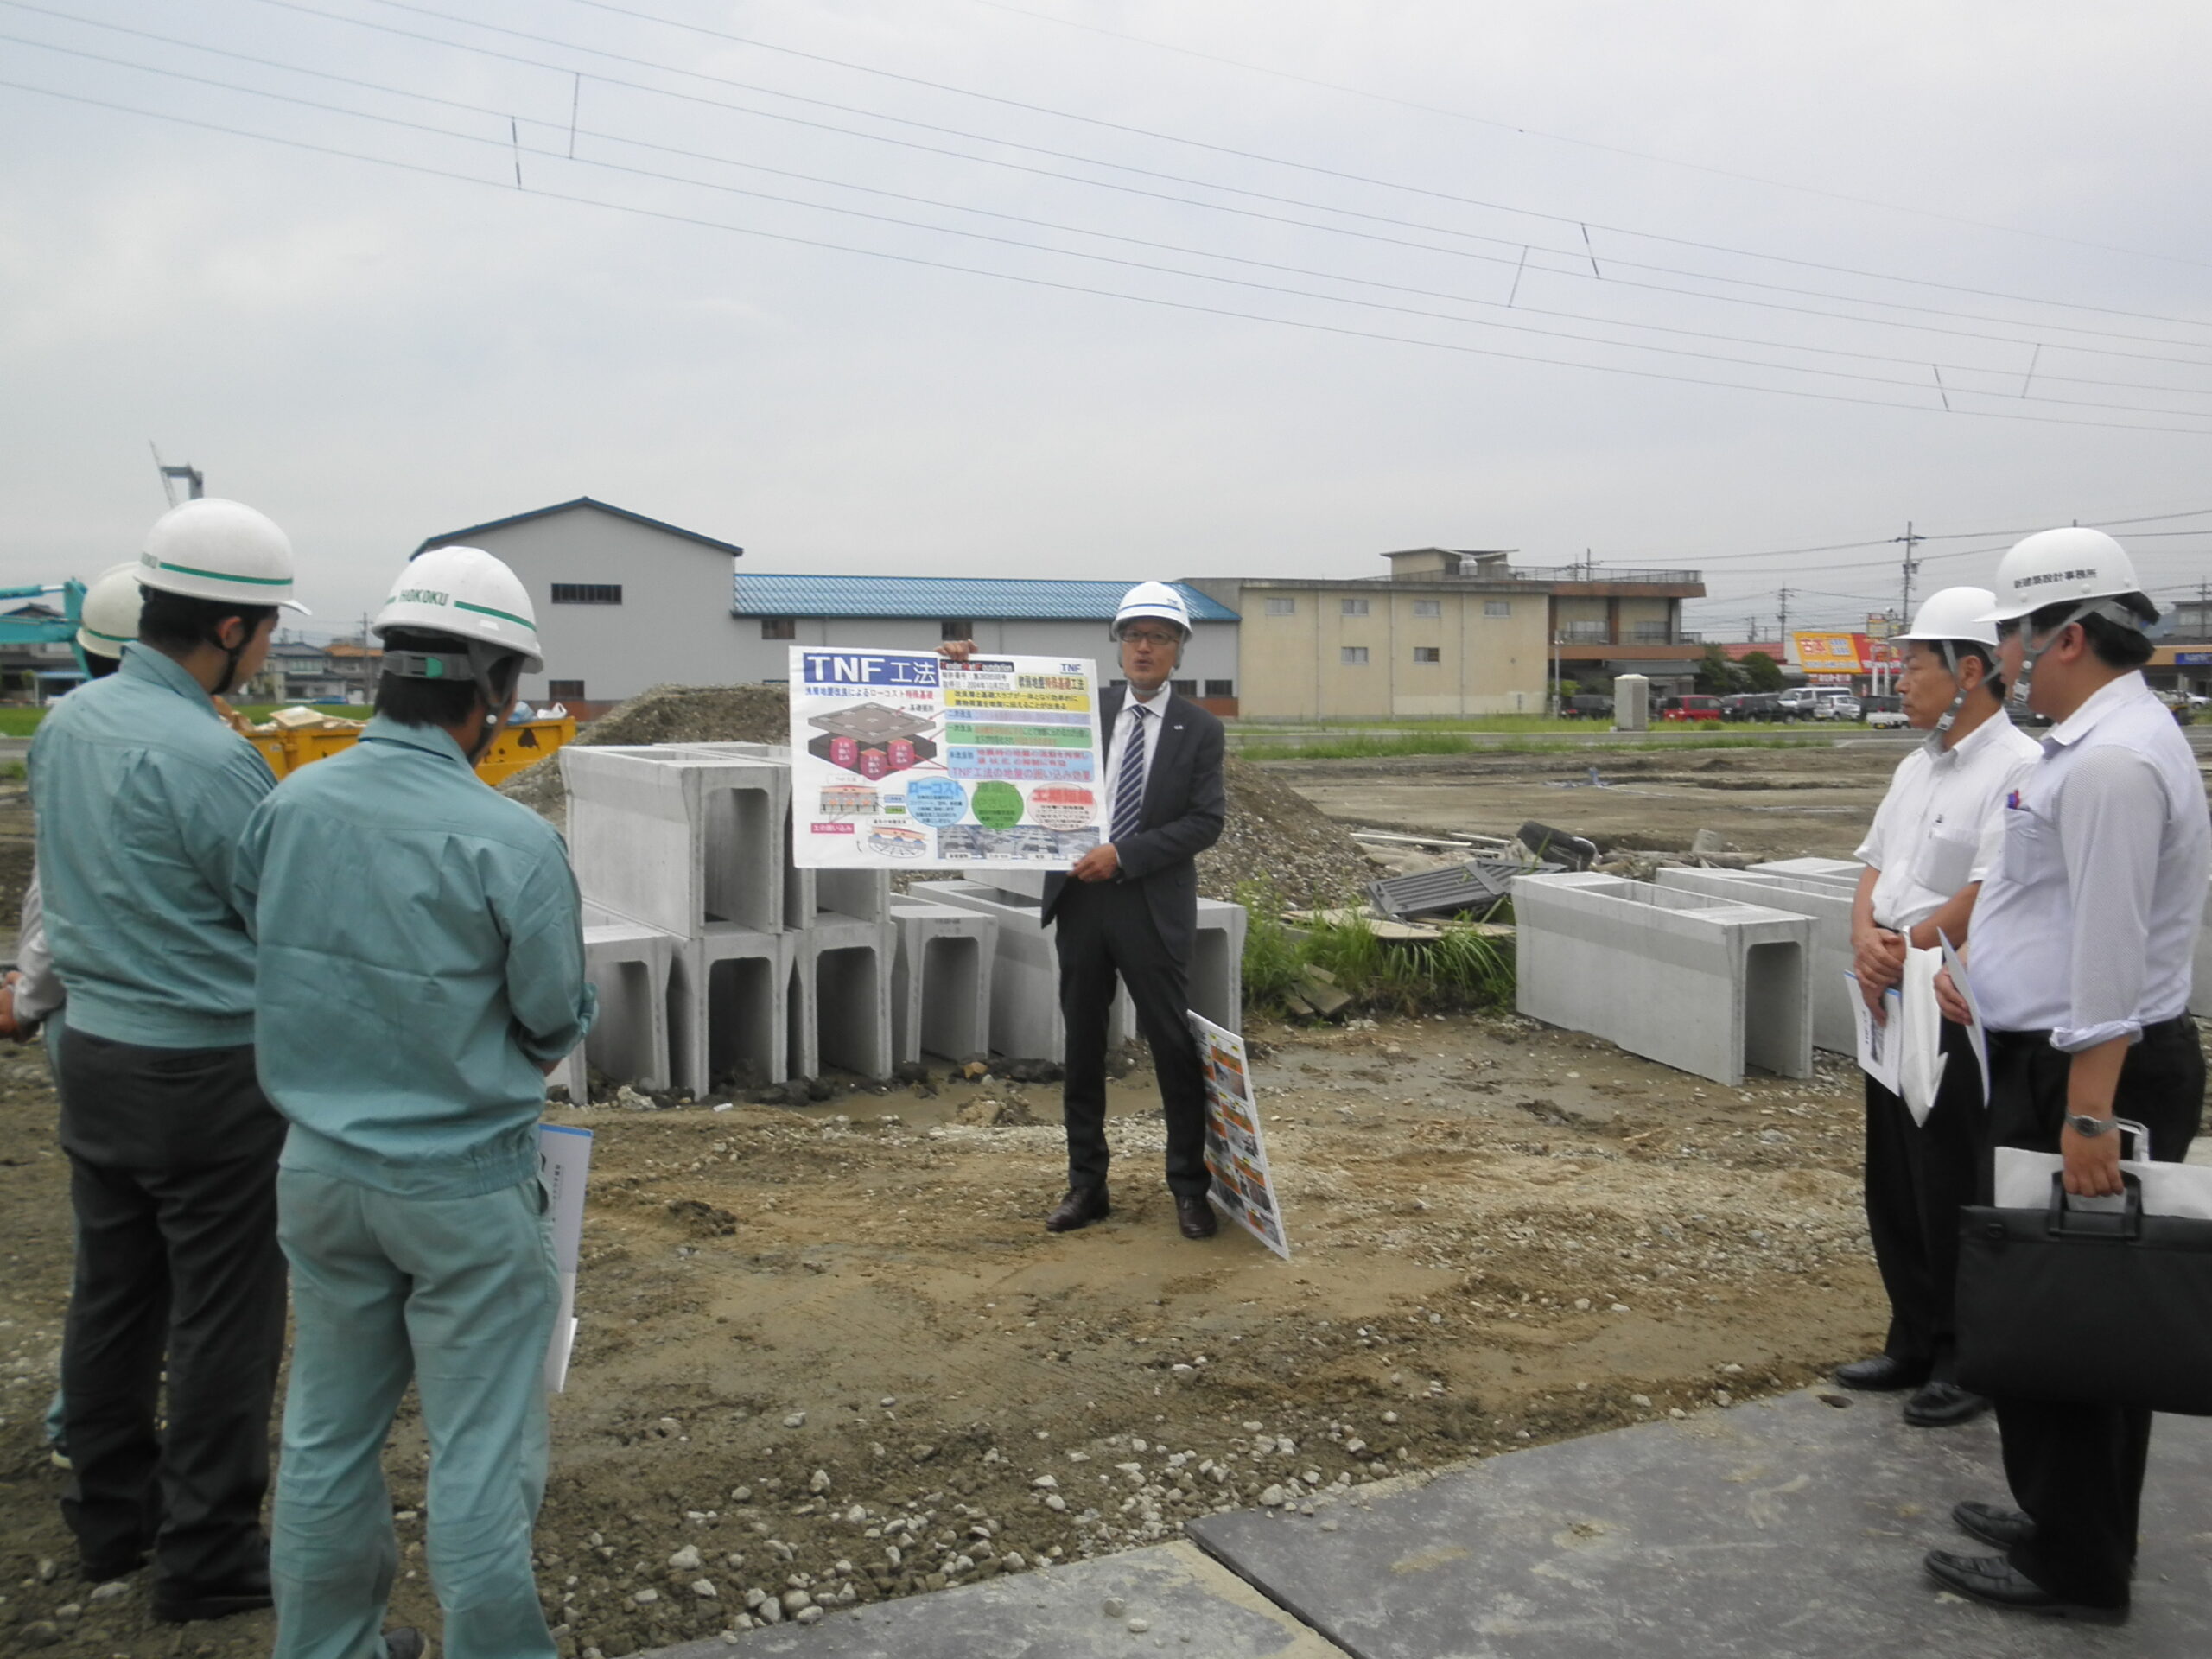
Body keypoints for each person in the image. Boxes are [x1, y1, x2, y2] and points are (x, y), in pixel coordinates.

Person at [235, 546, 594, 1659]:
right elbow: (553, 1016)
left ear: (386, 669)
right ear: (496, 688)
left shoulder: (288, 805)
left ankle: (325, 1646)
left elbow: (264, 938)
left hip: (319, 1173)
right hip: (462, 1188)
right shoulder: (513, 842)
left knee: (326, 1432)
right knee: (480, 1448)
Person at [1923, 528, 2208, 1624]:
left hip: (2091, 1080)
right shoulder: (2096, 745)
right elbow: (2047, 916)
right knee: (2065, 1311)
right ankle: (2065, 1518)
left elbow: (2108, 949)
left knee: (2071, 1315)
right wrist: (1985, 981)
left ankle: (2076, 1565)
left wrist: (2088, 1116)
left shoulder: (2111, 764)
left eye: (2013, 638)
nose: (2007, 661)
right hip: (2063, 1063)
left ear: (2069, 636)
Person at [29, 500, 304, 1618]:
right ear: (231, 630)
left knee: (114, 1294)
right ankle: (209, 1556)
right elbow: (283, 924)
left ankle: (110, 1518)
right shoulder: (212, 759)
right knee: (224, 1319)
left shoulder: (69, 728)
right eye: (269, 629)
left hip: (93, 1051)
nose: (270, 648)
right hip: (206, 1077)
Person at [1835, 588, 2039, 1428]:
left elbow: (1988, 891)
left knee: (1952, 1175)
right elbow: (1873, 867)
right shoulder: (1914, 767)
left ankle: (1965, 1357)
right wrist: (1865, 939)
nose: (1903, 679)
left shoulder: (2018, 767)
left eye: (1916, 664)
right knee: (1893, 1176)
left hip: (1952, 996)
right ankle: (1913, 1337)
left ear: (1970, 670)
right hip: (1888, 989)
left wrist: (1904, 946)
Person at [3, 560, 149, 1472]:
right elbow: (63, 906)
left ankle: (89, 1431)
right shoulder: (133, 748)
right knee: (147, 1253)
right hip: (132, 1032)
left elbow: (47, 893)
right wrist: (29, 994)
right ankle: (92, 1431)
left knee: (117, 1241)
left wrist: (28, 992)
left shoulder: (68, 738)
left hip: (85, 1026)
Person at [1039, 582, 1226, 1238]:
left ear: (1179, 649)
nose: (1145, 647)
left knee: (1171, 1046)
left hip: (1150, 903)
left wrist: (1124, 854)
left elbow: (1205, 822)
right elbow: (988, 725)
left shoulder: (1199, 729)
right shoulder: (1076, 712)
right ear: (1119, 645)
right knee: (1083, 1045)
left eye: (1160, 637)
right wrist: (961, 667)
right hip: (1081, 902)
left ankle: (1189, 1188)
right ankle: (1086, 1185)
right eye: (1134, 635)